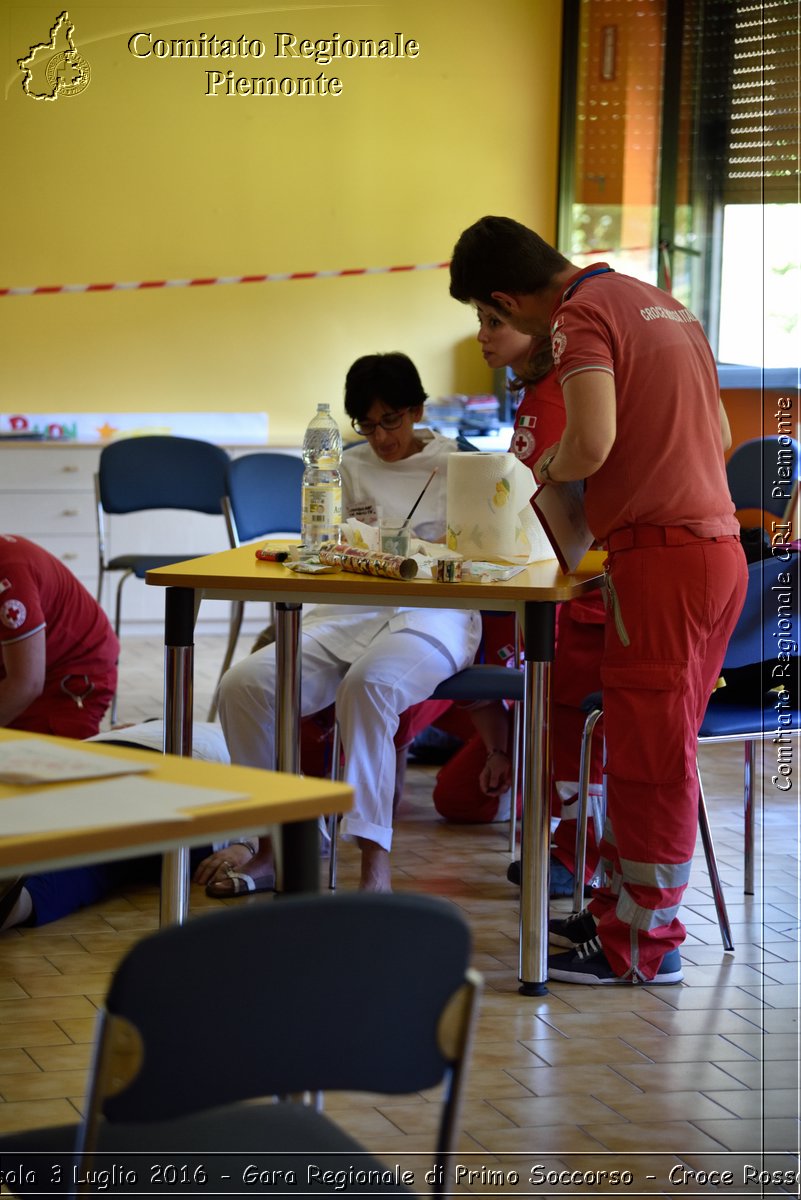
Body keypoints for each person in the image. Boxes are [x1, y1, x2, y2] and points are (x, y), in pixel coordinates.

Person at [449, 215, 748, 985]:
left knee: (650, 761)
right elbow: (714, 431)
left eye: (495, 318)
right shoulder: (659, 302)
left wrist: (542, 474)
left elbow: (590, 443)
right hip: (714, 552)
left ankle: (642, 946)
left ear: (508, 297)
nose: (502, 332)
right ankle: (615, 911)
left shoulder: (581, 314)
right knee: (642, 744)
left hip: (662, 565)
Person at [216, 353, 482, 892]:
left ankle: (373, 865)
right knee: (244, 686)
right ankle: (274, 844)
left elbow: (482, 555)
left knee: (370, 686)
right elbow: (323, 545)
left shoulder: (460, 466)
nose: (381, 437)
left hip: (431, 617)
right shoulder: (344, 468)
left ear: (418, 410)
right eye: (366, 423)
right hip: (346, 611)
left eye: (392, 420)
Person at [432, 310, 606, 896]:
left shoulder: (571, 382)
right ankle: (540, 811)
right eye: (479, 319)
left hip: (572, 582)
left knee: (570, 718)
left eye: (494, 319)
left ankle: (575, 849)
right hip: (534, 580)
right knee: (458, 798)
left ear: (535, 321)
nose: (482, 333)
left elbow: (564, 487)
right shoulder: (535, 388)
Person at [0, 535, 118, 738]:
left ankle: (129, 742)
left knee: (32, 761)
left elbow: (26, 684)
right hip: (22, 665)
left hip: (73, 671)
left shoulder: (8, 576)